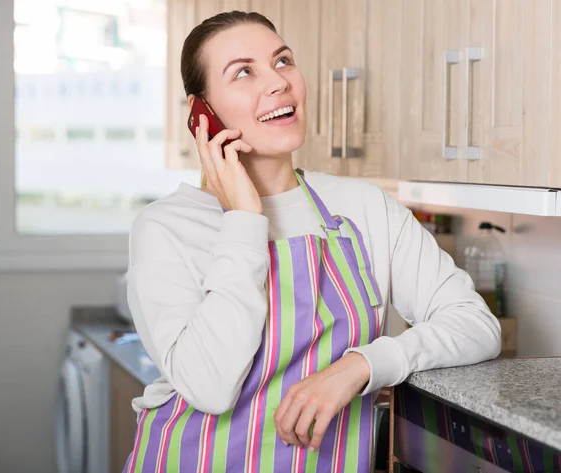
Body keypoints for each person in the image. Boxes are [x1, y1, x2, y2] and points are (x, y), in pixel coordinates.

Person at [123, 11, 501, 473]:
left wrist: (360, 366)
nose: (278, 82)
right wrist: (244, 218)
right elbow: (211, 386)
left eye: (283, 61)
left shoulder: (363, 207)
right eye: (244, 72)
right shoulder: (167, 227)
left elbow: (476, 325)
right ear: (201, 113)